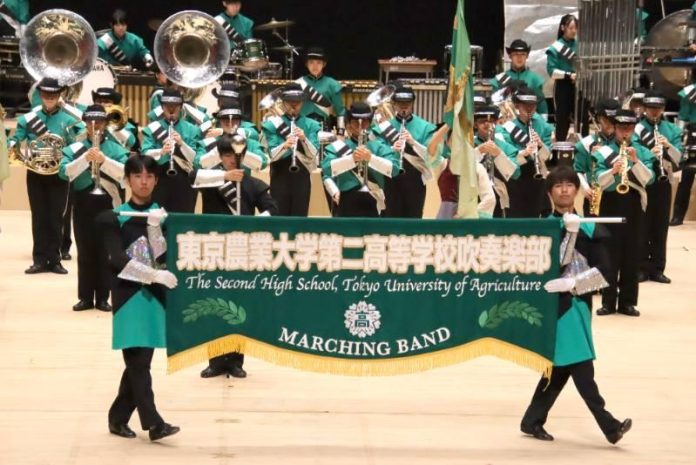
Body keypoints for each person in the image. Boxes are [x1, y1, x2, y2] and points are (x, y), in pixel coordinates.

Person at [520, 165, 632, 445]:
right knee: (582, 368)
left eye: (569, 185)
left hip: (579, 303)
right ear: (550, 193)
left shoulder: (590, 228)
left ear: (577, 190)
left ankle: (532, 420)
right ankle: (609, 426)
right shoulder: (543, 230)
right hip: (554, 307)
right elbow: (546, 267)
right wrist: (567, 235)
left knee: (560, 368)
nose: (564, 190)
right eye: (558, 186)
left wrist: (574, 283)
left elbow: (605, 273)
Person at [97, 155, 179, 441]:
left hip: (154, 299)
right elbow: (117, 260)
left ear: (156, 180)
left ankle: (117, 418)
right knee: (139, 363)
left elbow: (163, 256)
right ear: (127, 180)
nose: (143, 182)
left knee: (139, 363)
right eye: (137, 176)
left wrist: (155, 228)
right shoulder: (114, 217)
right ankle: (154, 423)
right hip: (127, 297)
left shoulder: (163, 216)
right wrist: (154, 275)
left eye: (149, 177)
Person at [190, 134, 277, 378]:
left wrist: (252, 224)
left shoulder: (253, 184)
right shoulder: (210, 179)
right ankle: (216, 360)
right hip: (214, 250)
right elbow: (191, 177)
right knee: (214, 305)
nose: (232, 160)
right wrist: (224, 177)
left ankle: (236, 361)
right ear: (220, 156)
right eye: (227, 155)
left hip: (242, 251)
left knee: (240, 306)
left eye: (236, 155)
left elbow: (272, 209)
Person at [8, 77, 83, 275]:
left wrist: (65, 154)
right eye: (46, 94)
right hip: (35, 173)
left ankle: (55, 260)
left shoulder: (69, 120)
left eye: (53, 94)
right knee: (39, 217)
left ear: (59, 95)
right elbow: (16, 139)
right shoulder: (28, 119)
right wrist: (11, 146)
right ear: (40, 95)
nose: (49, 97)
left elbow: (77, 144)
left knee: (56, 218)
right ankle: (39, 260)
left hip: (59, 174)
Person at [59, 105, 129, 312]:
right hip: (83, 202)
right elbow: (64, 173)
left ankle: (103, 298)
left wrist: (104, 161)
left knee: (105, 252)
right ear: (85, 124)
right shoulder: (75, 148)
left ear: (105, 123)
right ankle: (85, 298)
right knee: (85, 250)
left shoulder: (116, 148)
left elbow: (125, 175)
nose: (94, 126)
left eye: (99, 121)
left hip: (108, 203)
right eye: (90, 122)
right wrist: (85, 159)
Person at [592, 110, 655, 317]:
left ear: (633, 129)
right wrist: (612, 171)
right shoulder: (603, 151)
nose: (625, 133)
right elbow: (598, 181)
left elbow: (649, 180)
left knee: (631, 254)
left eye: (628, 128)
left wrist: (635, 162)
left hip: (634, 205)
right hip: (610, 204)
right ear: (615, 128)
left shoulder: (642, 151)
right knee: (608, 254)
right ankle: (608, 302)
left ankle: (628, 302)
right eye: (621, 128)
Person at [633, 91, 682, 284]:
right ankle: (641, 267)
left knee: (660, 226)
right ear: (644, 108)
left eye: (658, 108)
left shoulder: (672, 130)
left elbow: (679, 159)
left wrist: (668, 146)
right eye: (651, 108)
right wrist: (649, 153)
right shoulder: (636, 128)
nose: (655, 112)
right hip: (643, 180)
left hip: (663, 181)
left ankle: (657, 268)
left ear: (663, 109)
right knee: (642, 225)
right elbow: (633, 152)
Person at [321, 102, 401, 217]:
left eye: (364, 122)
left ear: (369, 123)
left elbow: (394, 169)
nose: (360, 126)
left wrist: (371, 158)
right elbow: (327, 168)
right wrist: (352, 159)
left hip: (375, 200)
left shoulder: (379, 147)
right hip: (347, 201)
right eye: (355, 122)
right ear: (349, 124)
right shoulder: (337, 147)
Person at [374, 85, 437, 218]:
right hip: (391, 181)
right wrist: (392, 149)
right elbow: (376, 152)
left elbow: (431, 155)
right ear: (395, 104)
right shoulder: (384, 127)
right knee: (392, 219)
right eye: (400, 103)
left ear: (413, 103)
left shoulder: (425, 127)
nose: (404, 107)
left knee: (414, 221)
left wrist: (413, 143)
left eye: (407, 103)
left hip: (415, 181)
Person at [262, 83, 320, 216]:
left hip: (302, 177)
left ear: (302, 103)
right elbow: (271, 155)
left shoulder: (311, 124)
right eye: (289, 101)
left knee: (300, 217)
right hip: (279, 176)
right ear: (283, 102)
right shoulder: (272, 124)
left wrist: (304, 139)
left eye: (297, 102)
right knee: (279, 216)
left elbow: (313, 154)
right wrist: (285, 145)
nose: (294, 105)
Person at [141, 89, 203, 213]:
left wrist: (181, 144)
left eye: (175, 106)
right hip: (159, 179)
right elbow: (144, 155)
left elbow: (195, 159)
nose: (171, 109)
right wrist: (161, 151)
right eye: (167, 106)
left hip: (185, 181)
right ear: (162, 107)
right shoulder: (152, 128)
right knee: (158, 217)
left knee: (184, 215)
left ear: (180, 107)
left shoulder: (192, 129)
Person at [500, 86, 554, 218]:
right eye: (525, 106)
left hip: (537, 176)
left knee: (534, 214)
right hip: (516, 177)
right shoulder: (506, 128)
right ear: (517, 106)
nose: (530, 109)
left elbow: (548, 157)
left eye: (533, 106)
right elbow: (508, 157)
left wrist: (540, 145)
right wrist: (525, 152)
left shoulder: (544, 126)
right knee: (516, 214)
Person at [574, 98, 619, 215]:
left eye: (613, 120)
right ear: (599, 119)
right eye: (606, 119)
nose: (610, 123)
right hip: (594, 194)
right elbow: (578, 170)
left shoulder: (626, 142)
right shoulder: (586, 144)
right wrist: (585, 188)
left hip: (620, 193)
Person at [546, 14, 588, 141]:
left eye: (576, 28)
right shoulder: (556, 47)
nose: (574, 31)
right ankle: (560, 147)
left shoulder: (581, 46)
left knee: (583, 119)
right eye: (571, 28)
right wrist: (569, 75)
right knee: (562, 120)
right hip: (563, 86)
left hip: (579, 86)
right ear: (563, 28)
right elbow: (551, 71)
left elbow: (587, 65)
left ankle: (584, 146)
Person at [196, 103, 267, 172]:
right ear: (220, 121)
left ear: (240, 122)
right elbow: (197, 164)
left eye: (234, 119)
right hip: (215, 180)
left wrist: (241, 150)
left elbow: (262, 163)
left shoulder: (250, 143)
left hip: (243, 179)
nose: (230, 122)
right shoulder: (207, 143)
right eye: (225, 118)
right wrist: (220, 149)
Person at [491, 39, 549, 119]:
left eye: (523, 54)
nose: (519, 57)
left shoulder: (535, 79)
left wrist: (543, 123)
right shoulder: (499, 79)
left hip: (529, 120)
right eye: (515, 54)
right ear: (510, 56)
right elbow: (495, 105)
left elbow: (541, 106)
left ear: (527, 56)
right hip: (507, 121)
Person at [297, 47, 346, 134]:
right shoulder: (298, 83)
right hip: (302, 127)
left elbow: (340, 111)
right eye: (311, 62)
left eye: (318, 63)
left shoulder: (332, 84)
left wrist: (341, 131)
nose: (315, 66)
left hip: (323, 127)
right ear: (306, 64)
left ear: (324, 64)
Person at [671, 83, 696, 226]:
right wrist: (678, 139)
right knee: (687, 176)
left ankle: (677, 217)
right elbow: (683, 116)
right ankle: (678, 216)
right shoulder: (690, 91)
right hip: (693, 132)